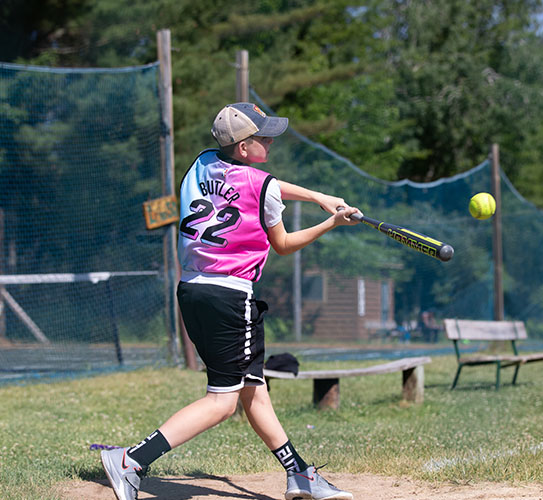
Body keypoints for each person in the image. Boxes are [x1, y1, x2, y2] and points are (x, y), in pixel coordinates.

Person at [101, 102, 358, 500]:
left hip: (192, 291)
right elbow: (284, 244)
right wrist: (330, 221)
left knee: (252, 385)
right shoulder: (263, 187)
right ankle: (131, 460)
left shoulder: (201, 163)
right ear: (242, 148)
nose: (271, 142)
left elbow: (265, 183)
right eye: (263, 138)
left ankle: (299, 474)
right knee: (222, 402)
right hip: (230, 296)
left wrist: (317, 195)